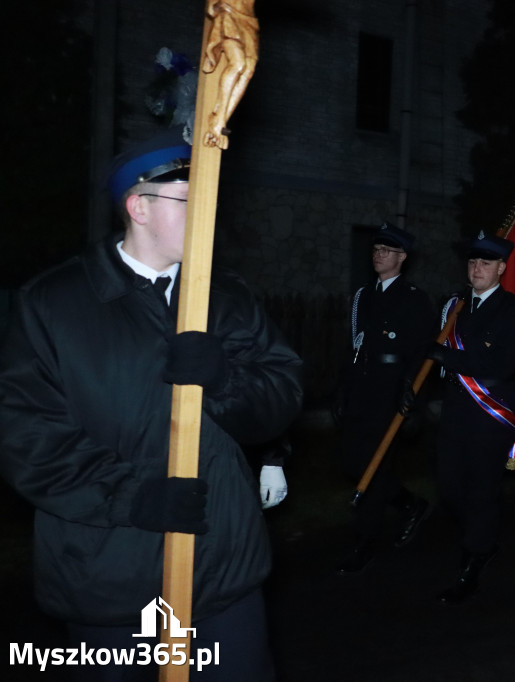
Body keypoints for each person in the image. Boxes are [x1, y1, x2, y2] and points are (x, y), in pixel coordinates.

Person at [0, 129, 304, 681]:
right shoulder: (54, 304)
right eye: (192, 200)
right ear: (138, 206)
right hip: (110, 578)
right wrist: (130, 498)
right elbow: (27, 437)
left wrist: (225, 382)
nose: (208, 215)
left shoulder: (226, 296)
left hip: (221, 575)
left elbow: (281, 397)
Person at [427, 232, 515, 605]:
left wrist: (448, 358)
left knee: (480, 488)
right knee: (450, 487)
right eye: (472, 262)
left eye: (485, 263)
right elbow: (429, 352)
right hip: (456, 412)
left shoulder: (514, 310)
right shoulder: (454, 306)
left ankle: (476, 556)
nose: (476, 268)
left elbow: (503, 364)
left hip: (491, 414)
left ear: (501, 268)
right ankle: (482, 533)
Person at [334, 222, 436, 574]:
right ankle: (410, 504)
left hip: (391, 391)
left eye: (387, 251)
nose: (378, 255)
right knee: (351, 462)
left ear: (402, 258)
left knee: (375, 467)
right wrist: (342, 389)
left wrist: (413, 397)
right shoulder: (363, 295)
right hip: (361, 387)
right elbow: (353, 346)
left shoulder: (414, 299)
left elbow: (423, 353)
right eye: (376, 250)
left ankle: (365, 542)